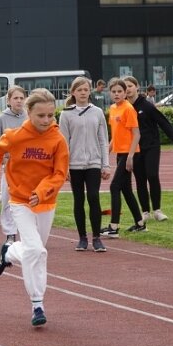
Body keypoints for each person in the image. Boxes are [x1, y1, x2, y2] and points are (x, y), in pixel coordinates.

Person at [0, 88, 69, 327]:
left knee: (34, 250)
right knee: (37, 251)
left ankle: (8, 252)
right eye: (40, 115)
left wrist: (41, 192)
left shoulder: (57, 139)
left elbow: (60, 174)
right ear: (28, 112)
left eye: (50, 116)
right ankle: (37, 304)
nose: (46, 120)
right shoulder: (14, 136)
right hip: (20, 201)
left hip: (45, 202)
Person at [59, 77, 111, 252]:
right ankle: (82, 238)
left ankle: (97, 238)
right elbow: (63, 143)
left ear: (90, 91)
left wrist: (106, 164)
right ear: (73, 92)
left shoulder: (97, 112)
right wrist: (64, 167)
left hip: (94, 163)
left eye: (85, 89)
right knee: (78, 200)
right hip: (74, 164)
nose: (82, 92)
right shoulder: (66, 114)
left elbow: (103, 140)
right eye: (79, 90)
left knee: (94, 198)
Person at [123, 76, 173, 222]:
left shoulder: (147, 106)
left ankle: (157, 210)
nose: (128, 89)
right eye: (125, 87)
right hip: (135, 148)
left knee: (152, 175)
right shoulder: (124, 107)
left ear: (137, 87)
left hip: (151, 146)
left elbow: (163, 122)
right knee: (140, 179)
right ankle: (145, 212)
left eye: (130, 86)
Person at [101, 78, 146, 238]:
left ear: (125, 92)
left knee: (114, 187)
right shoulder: (113, 109)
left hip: (130, 154)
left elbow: (136, 134)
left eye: (120, 91)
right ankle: (140, 224)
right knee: (126, 189)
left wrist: (131, 156)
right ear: (110, 93)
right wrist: (107, 150)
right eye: (114, 91)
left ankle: (113, 227)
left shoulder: (128, 109)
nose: (117, 94)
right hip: (120, 153)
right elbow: (116, 134)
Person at [0, 85, 28, 245]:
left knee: (29, 200)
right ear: (9, 100)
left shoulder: (29, 117)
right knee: (8, 199)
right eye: (15, 98)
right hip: (10, 167)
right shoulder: (2, 118)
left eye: (21, 98)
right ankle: (10, 234)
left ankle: (28, 233)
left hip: (28, 166)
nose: (19, 101)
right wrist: (4, 157)